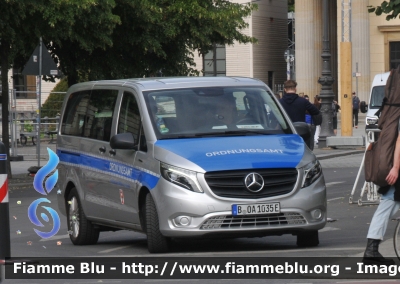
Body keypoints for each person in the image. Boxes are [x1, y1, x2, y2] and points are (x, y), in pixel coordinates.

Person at [362, 120, 400, 266]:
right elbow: (399, 141)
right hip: (397, 170)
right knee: (387, 204)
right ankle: (371, 250)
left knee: (387, 206)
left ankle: (372, 250)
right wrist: (396, 168)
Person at [279, 80, 319, 149]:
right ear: (295, 89)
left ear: (285, 89)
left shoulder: (280, 102)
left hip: (285, 131)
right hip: (300, 130)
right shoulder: (302, 101)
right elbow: (316, 111)